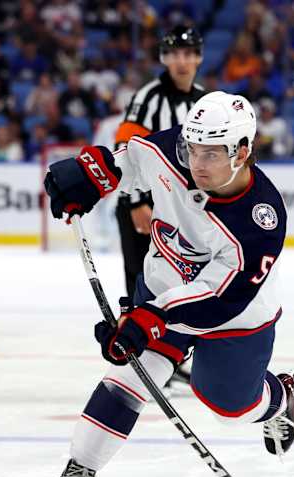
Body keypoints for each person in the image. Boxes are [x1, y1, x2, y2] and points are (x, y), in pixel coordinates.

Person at [44, 91, 294, 477]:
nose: (196, 162)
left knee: (229, 403)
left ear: (242, 151)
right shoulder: (175, 153)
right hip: (162, 288)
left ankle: (279, 399)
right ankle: (82, 467)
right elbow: (133, 161)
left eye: (211, 154)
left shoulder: (260, 221)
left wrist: (149, 318)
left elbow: (218, 294)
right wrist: (95, 174)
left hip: (234, 316)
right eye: (191, 149)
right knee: (131, 374)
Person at [114, 25, 205, 300]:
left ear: (198, 57)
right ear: (164, 58)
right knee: (141, 281)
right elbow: (124, 148)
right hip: (144, 203)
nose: (182, 61)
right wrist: (136, 202)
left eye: (188, 54)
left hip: (182, 207)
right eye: (174, 54)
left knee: (183, 284)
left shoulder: (204, 100)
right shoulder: (148, 97)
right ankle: (135, 339)